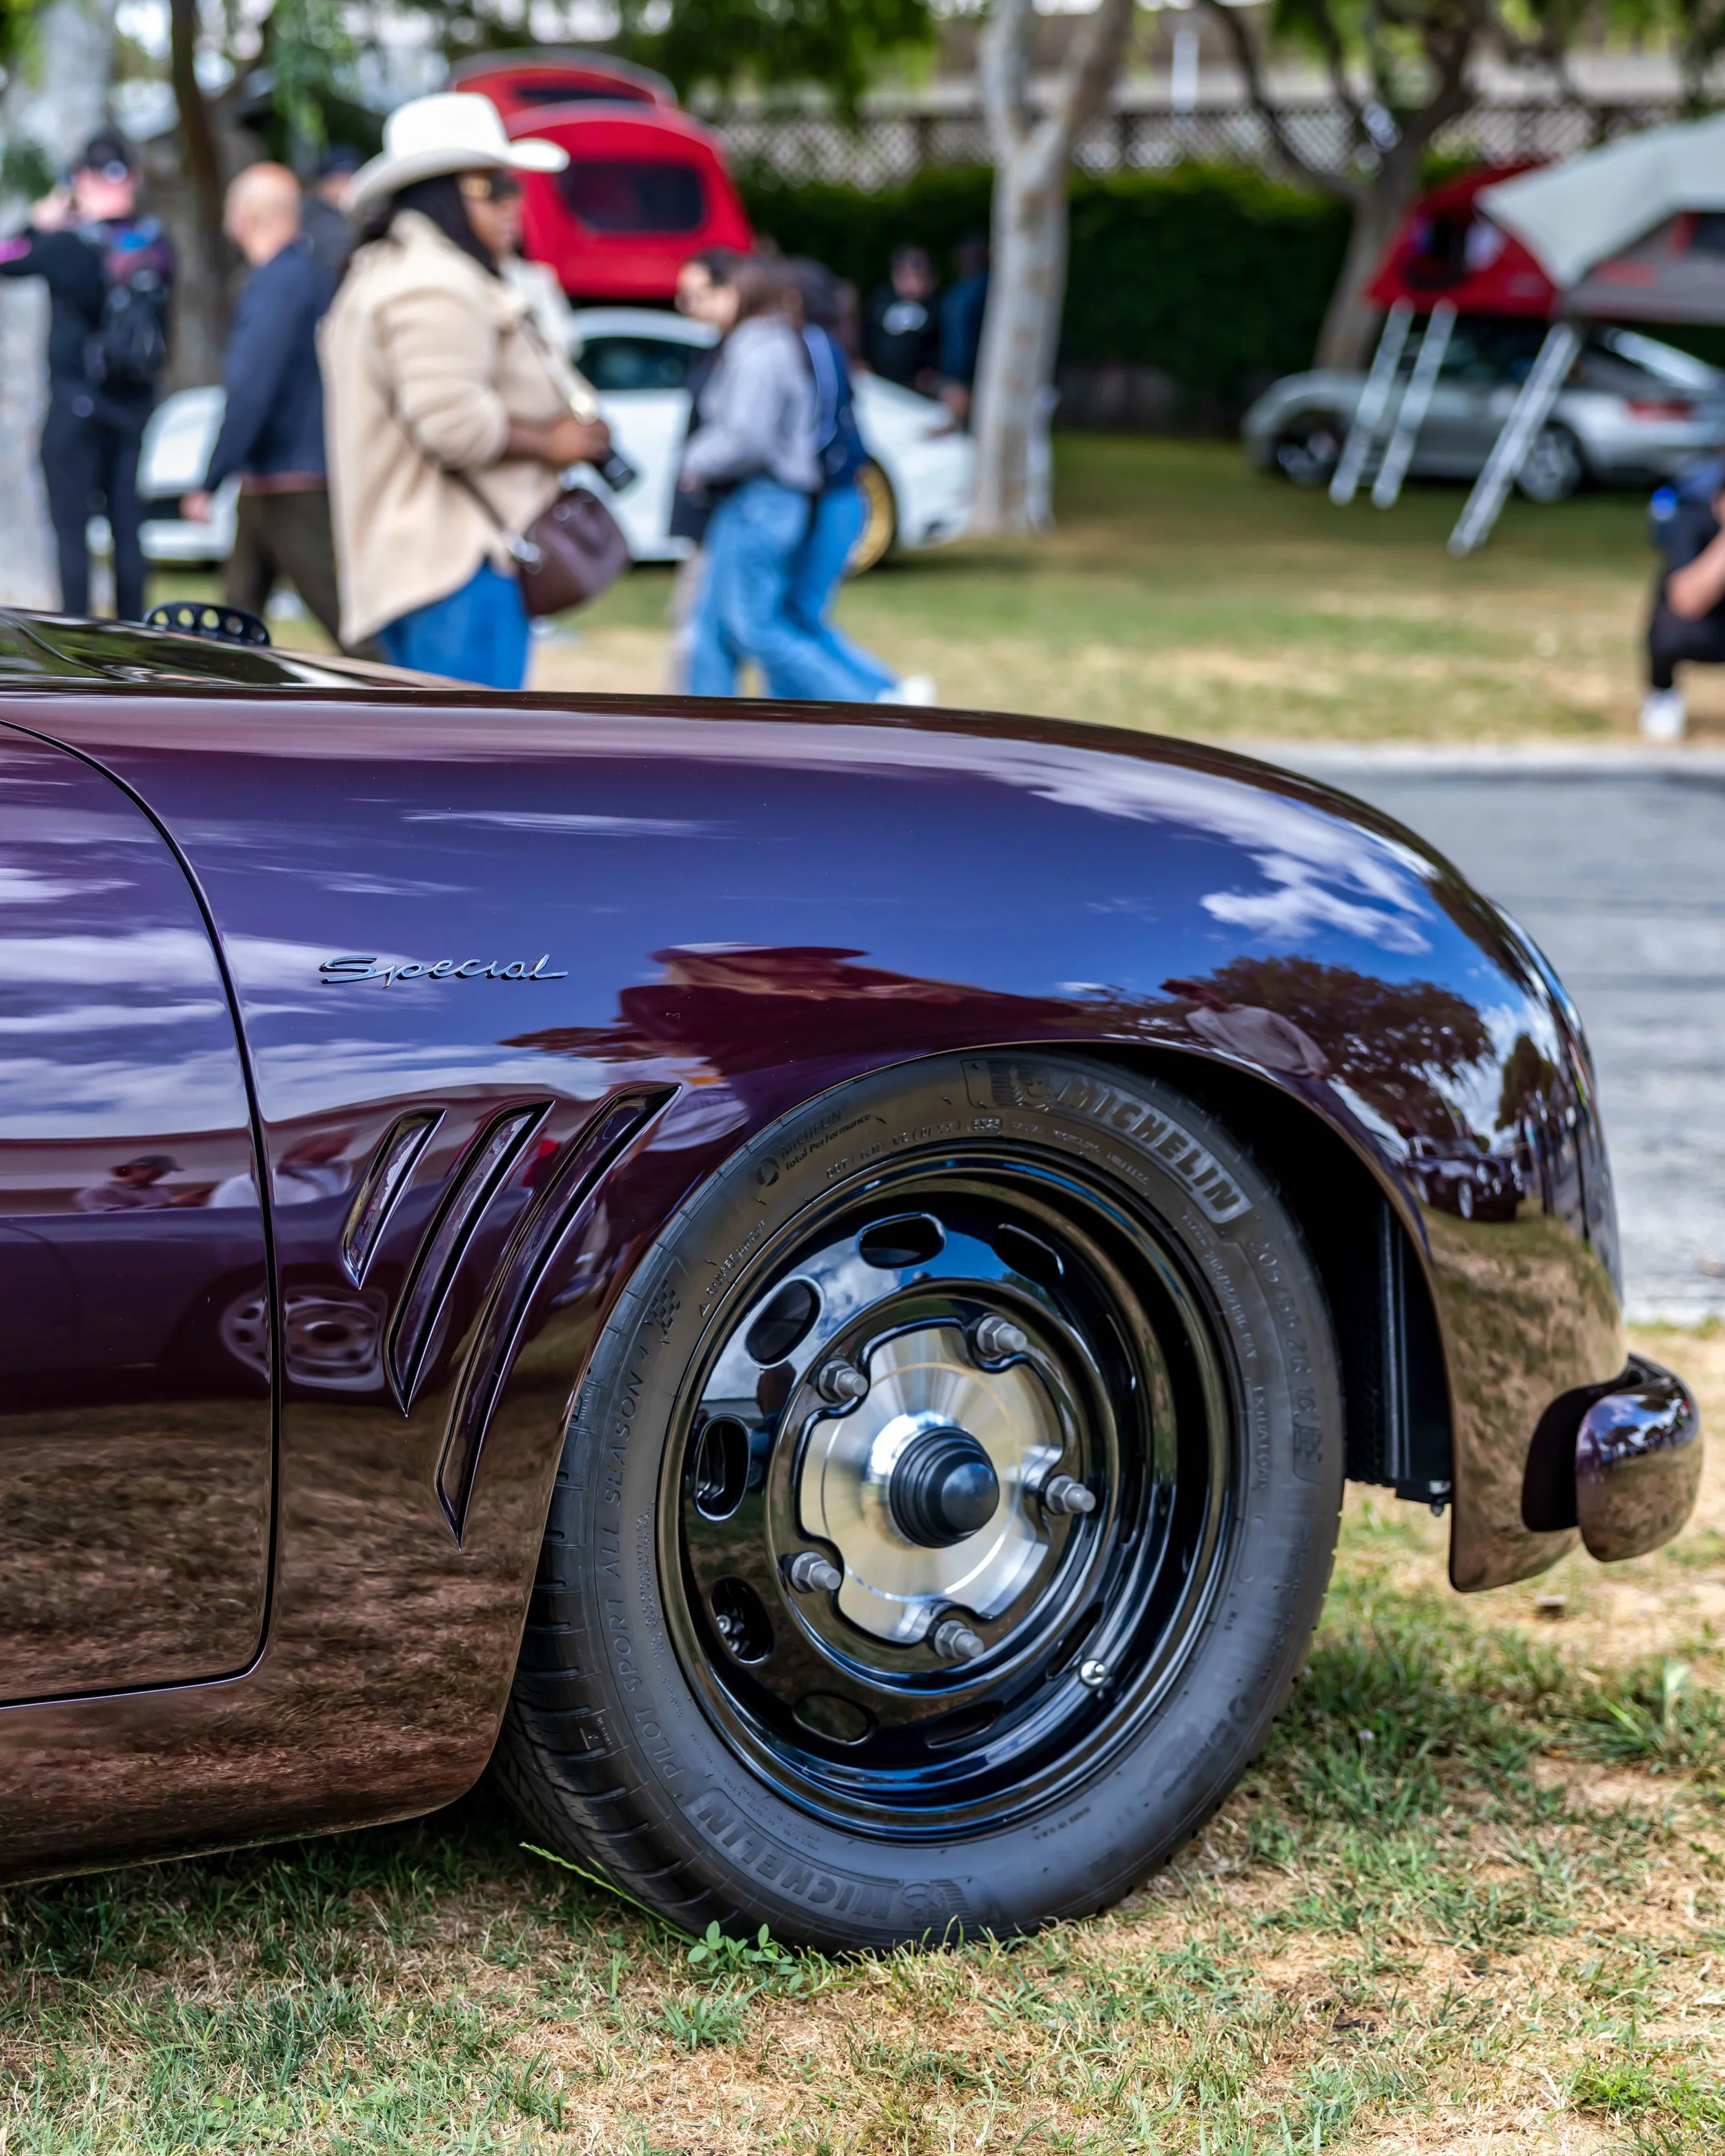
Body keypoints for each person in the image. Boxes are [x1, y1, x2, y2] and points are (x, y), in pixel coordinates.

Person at [319, 93, 612, 688]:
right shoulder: (436, 282)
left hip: (423, 569)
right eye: (493, 187)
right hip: (452, 569)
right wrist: (555, 443)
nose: (514, 203)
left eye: (512, 186)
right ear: (441, 194)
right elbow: (456, 429)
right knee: (474, 773)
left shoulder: (392, 269)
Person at [679, 259, 887, 702]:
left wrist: (694, 460)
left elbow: (746, 439)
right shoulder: (778, 344)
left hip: (762, 499)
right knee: (716, 625)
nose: (707, 303)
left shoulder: (761, 349)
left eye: (723, 290)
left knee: (757, 627)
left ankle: (871, 705)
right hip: (762, 500)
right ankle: (704, 730)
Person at [0, 130, 172, 620]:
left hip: (75, 410)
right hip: (133, 408)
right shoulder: (155, 245)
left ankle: (75, 638)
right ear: (132, 179)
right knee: (127, 530)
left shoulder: (67, 245)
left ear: (81, 180)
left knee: (72, 535)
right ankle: (136, 640)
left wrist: (39, 221)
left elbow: (6, 256)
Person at [181, 164, 344, 646]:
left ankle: (404, 705)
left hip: (293, 480)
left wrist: (210, 478)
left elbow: (253, 387)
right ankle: (217, 707)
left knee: (346, 622)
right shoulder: (303, 274)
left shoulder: (279, 284)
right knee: (233, 622)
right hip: (269, 479)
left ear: (248, 216)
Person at [785, 256, 931, 706]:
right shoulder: (829, 346)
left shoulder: (815, 346)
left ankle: (881, 690)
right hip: (839, 495)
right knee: (797, 612)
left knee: (800, 611)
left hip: (837, 496)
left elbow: (822, 432)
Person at [1642, 464, 1725, 740]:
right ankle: (1662, 694)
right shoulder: (1692, 521)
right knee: (1671, 630)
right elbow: (1688, 601)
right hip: (1700, 629)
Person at [865, 245, 940, 394]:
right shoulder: (882, 299)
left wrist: (934, 371)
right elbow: (868, 334)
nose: (912, 280)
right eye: (905, 273)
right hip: (881, 386)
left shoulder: (936, 305)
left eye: (918, 272)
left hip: (921, 388)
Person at [939, 234, 988, 426]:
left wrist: (960, 378)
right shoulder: (961, 290)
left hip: (969, 376)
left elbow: (963, 339)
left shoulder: (976, 291)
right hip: (961, 375)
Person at [301, 146, 360, 280]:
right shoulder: (313, 218)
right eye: (338, 180)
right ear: (321, 184)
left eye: (350, 178)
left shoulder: (357, 215)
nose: (345, 186)